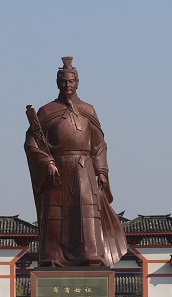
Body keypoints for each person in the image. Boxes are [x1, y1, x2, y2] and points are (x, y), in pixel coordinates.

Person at [24, 56, 127, 268]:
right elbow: (32, 143)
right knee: (55, 213)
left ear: (77, 82)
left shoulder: (88, 110)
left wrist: (101, 171)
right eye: (63, 81)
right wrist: (47, 162)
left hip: (84, 168)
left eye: (71, 81)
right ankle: (51, 256)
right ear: (57, 83)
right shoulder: (46, 111)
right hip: (57, 168)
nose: (67, 85)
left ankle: (91, 254)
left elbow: (99, 145)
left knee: (87, 212)